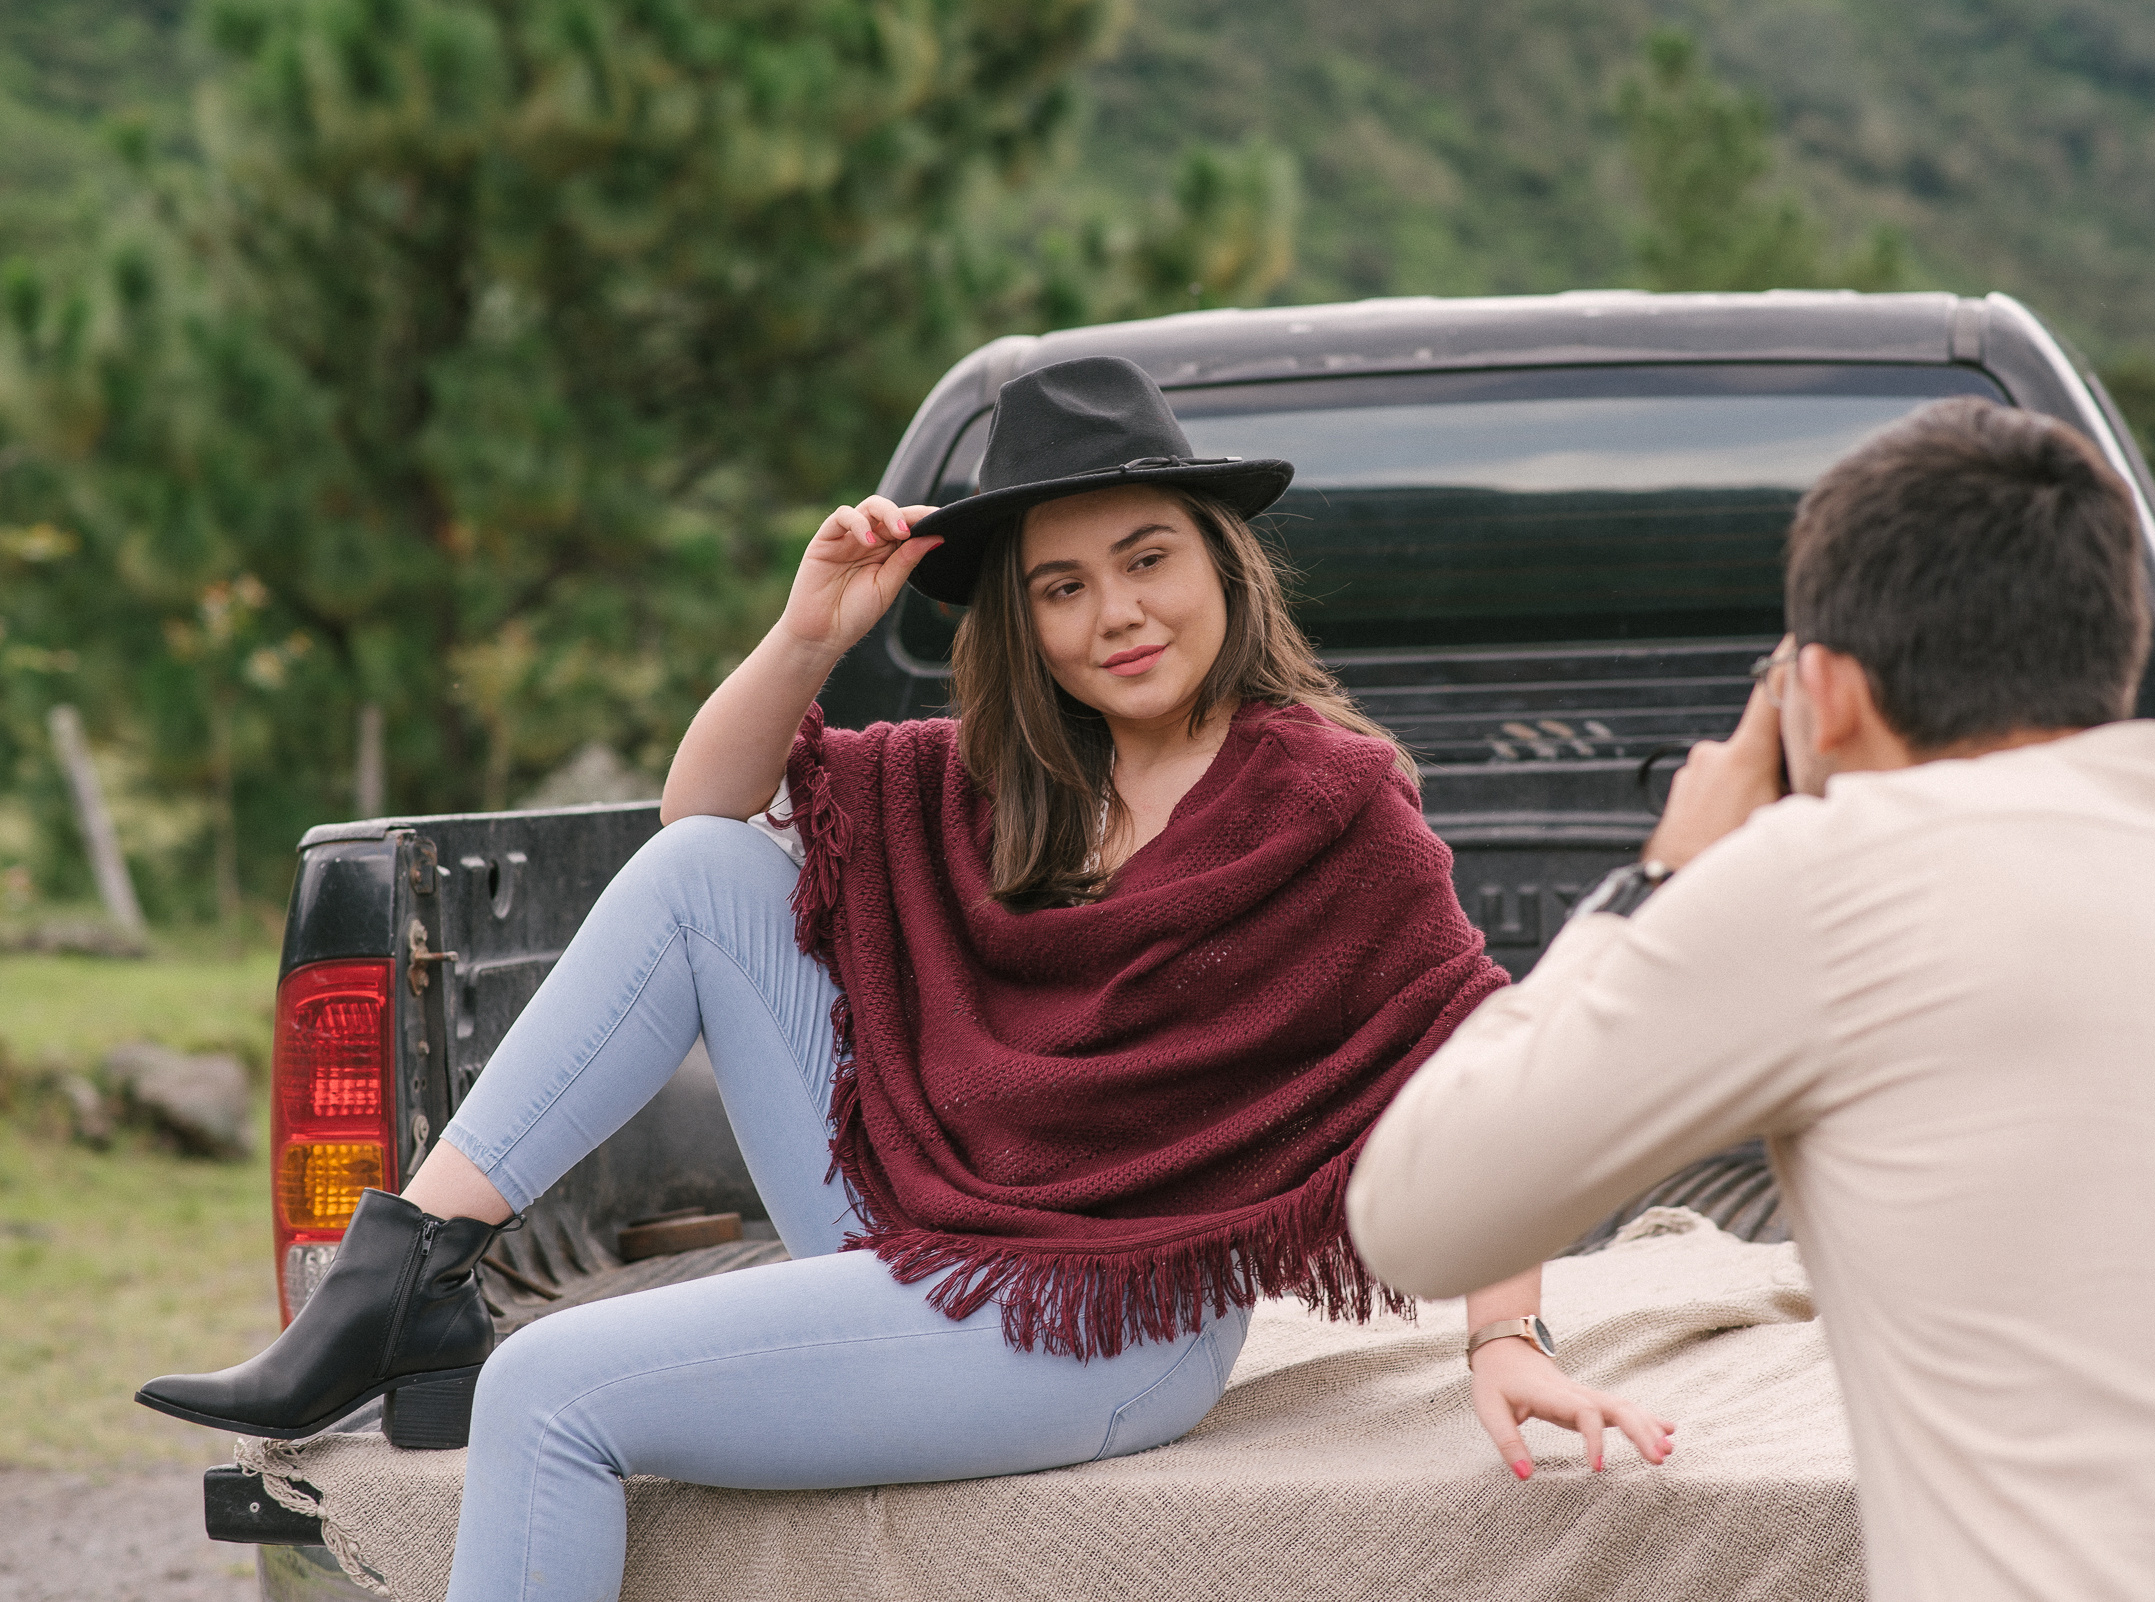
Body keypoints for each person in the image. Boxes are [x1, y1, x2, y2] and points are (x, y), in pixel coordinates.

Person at [139, 357, 1672, 1602]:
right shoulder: (1001, 777)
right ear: (1024, 620)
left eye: (1148, 558)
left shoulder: (1329, 800)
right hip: (938, 1220)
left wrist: (1503, 1336)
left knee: (549, 1390)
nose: (1116, 612)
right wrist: (807, 633)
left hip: (1108, 1316)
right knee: (704, 872)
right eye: (1061, 586)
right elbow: (693, 816)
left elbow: (1486, 1060)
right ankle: (408, 1269)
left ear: (1223, 558)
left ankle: (406, 1307)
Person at [1346, 397, 2155, 1602]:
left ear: (1827, 692)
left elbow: (1420, 1217)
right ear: (2115, 649)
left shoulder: (1832, 881)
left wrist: (1666, 876)